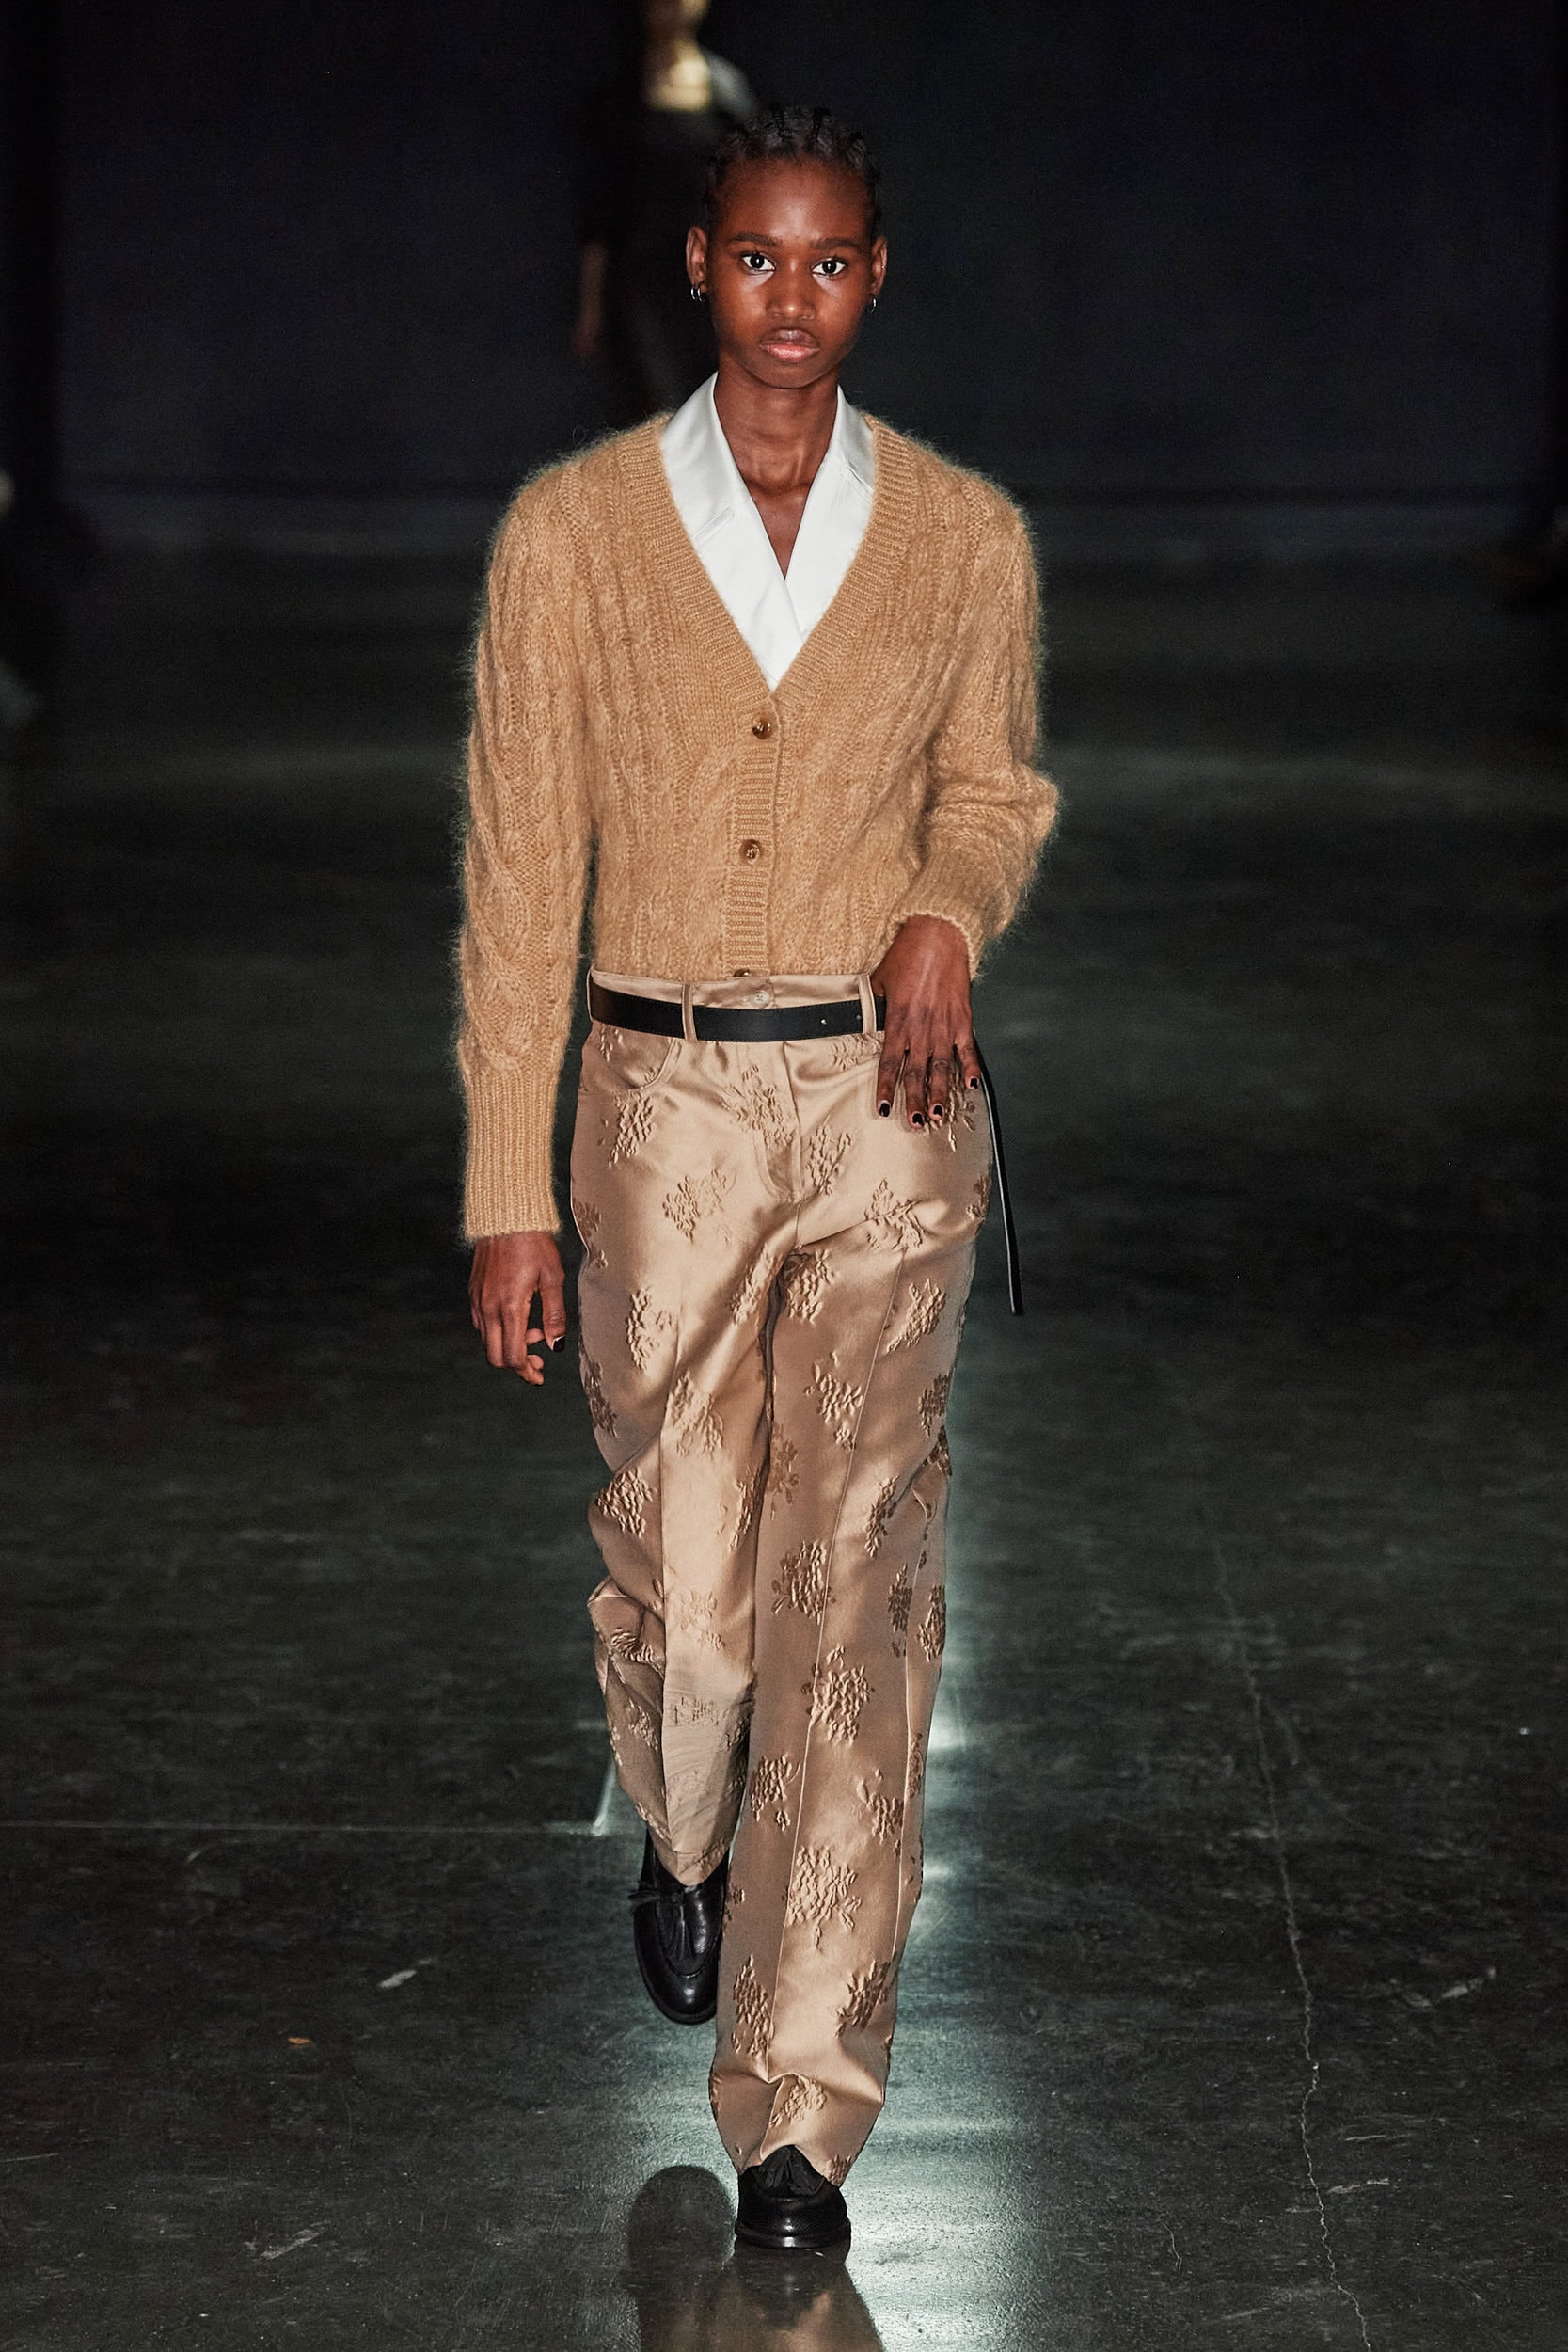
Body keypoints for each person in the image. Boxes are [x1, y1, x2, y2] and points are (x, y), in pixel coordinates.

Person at [462, 104, 1057, 2254]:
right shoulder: (575, 534)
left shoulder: (962, 536)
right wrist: (505, 1185)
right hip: (660, 1111)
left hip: (889, 1111)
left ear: (872, 278)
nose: (787, 300)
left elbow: (991, 786)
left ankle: (800, 2110)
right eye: (752, 260)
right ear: (696, 270)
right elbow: (519, 870)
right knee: (695, 1590)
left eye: (826, 263)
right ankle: (685, 1823)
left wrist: (943, 912)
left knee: (853, 1596)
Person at [574, 1, 756, 423]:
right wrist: (591, 304)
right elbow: (600, 212)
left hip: (709, 280)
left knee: (712, 404)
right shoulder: (622, 100)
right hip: (639, 280)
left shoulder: (728, 94)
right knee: (652, 404)